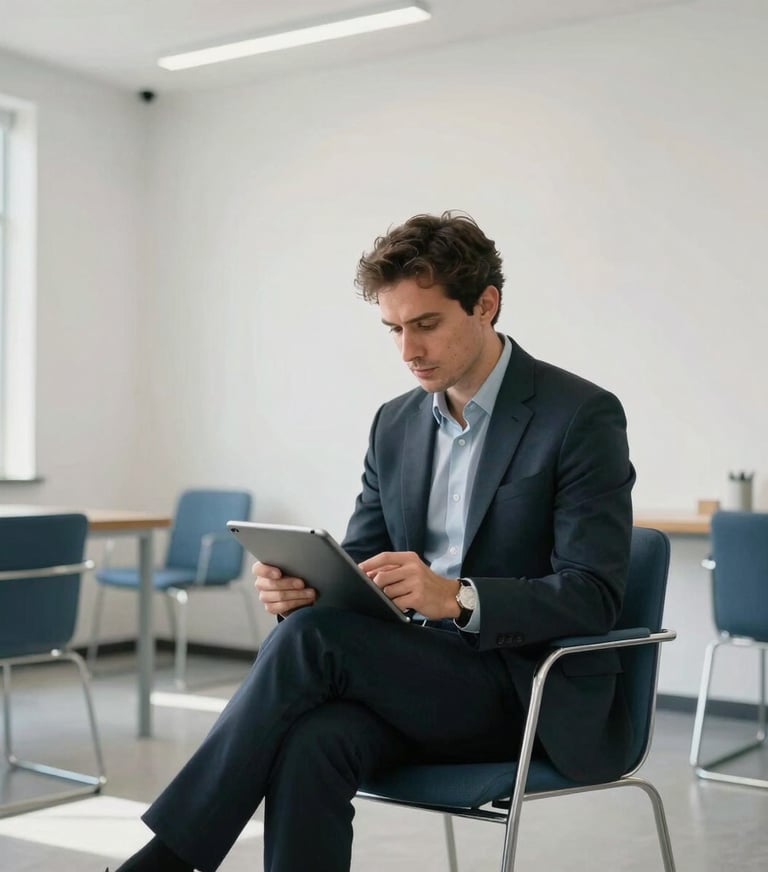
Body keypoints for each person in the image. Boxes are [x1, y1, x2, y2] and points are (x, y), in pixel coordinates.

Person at [114, 211, 635, 872]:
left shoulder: (579, 415)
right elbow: (359, 563)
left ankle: (163, 861)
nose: (408, 351)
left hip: (523, 687)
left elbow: (594, 595)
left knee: (313, 641)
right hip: (415, 673)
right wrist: (297, 587)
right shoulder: (395, 424)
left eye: (426, 325)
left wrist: (460, 598)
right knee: (313, 738)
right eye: (393, 329)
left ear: (486, 305)